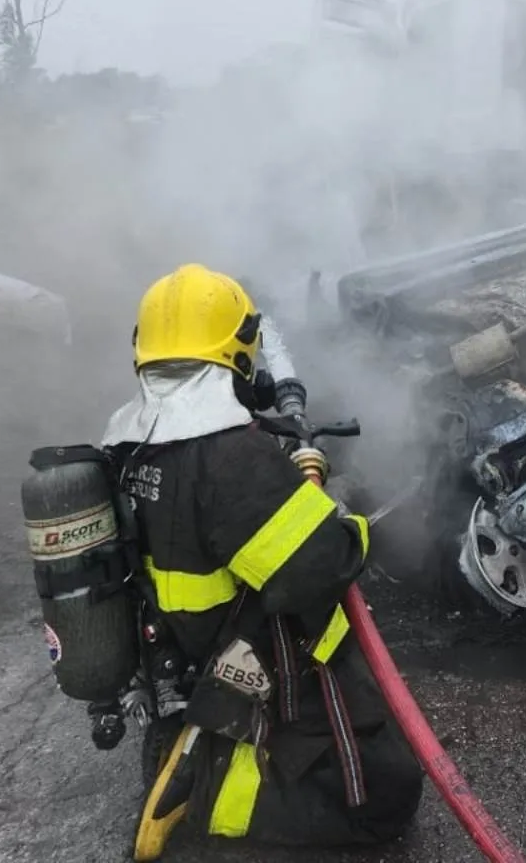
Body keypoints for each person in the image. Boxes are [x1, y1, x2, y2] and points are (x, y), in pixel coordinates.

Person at [100, 263, 422, 860]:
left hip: (182, 652)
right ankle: (214, 792)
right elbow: (321, 566)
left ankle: (191, 742)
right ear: (238, 352)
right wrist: (344, 515)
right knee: (388, 792)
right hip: (250, 663)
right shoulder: (231, 459)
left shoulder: (125, 445)